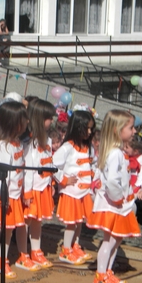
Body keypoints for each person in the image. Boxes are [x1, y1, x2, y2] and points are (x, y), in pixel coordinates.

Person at [87, 110, 141, 283]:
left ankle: (108, 272)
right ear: (118, 130)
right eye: (131, 128)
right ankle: (100, 276)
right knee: (109, 241)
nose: (134, 131)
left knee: (116, 240)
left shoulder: (117, 152)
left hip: (118, 204)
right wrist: (118, 198)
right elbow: (112, 181)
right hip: (113, 205)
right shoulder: (115, 153)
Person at [0, 101, 30, 278]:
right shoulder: (2, 146)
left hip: (13, 194)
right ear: (12, 122)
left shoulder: (17, 143)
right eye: (23, 120)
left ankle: (0, 259)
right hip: (0, 195)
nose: (26, 123)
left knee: (8, 230)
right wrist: (3, 196)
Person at [52, 110, 96, 265]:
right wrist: (63, 179)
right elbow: (53, 164)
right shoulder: (67, 147)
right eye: (87, 128)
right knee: (71, 223)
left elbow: (93, 163)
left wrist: (93, 177)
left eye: (91, 128)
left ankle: (75, 245)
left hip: (83, 192)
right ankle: (66, 250)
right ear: (78, 127)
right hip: (71, 192)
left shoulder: (88, 147)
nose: (89, 132)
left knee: (79, 221)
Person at [22, 99, 57, 269]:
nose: (52, 121)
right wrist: (27, 192)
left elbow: (48, 163)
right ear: (39, 118)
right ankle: (22, 253)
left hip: (43, 187)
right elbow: (28, 169)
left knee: (37, 221)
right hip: (32, 189)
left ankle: (36, 250)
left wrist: (51, 183)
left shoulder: (48, 140)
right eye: (49, 117)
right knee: (25, 222)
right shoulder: (30, 142)